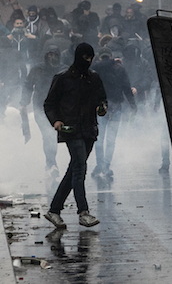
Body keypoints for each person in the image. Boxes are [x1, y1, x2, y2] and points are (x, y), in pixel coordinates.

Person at [43, 43, 107, 229]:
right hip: (70, 129)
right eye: (86, 58)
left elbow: (102, 99)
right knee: (80, 167)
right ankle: (83, 212)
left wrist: (101, 108)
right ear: (78, 57)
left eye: (91, 58)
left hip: (89, 129)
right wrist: (56, 121)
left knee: (74, 169)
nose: (88, 62)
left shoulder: (94, 78)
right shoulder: (62, 78)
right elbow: (49, 104)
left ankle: (54, 210)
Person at [19, 46, 66, 177]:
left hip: (58, 107)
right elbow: (28, 85)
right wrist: (24, 102)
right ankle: (51, 163)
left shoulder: (64, 70)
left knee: (53, 135)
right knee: (48, 134)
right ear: (45, 56)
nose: (52, 58)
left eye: (54, 55)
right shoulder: (37, 69)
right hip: (40, 106)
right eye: (49, 55)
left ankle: (51, 163)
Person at [90, 46, 137, 177]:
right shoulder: (119, 68)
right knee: (111, 139)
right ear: (110, 56)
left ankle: (99, 165)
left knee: (99, 138)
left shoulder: (95, 69)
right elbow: (127, 88)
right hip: (116, 107)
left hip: (100, 107)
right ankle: (106, 166)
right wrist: (133, 105)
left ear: (100, 57)